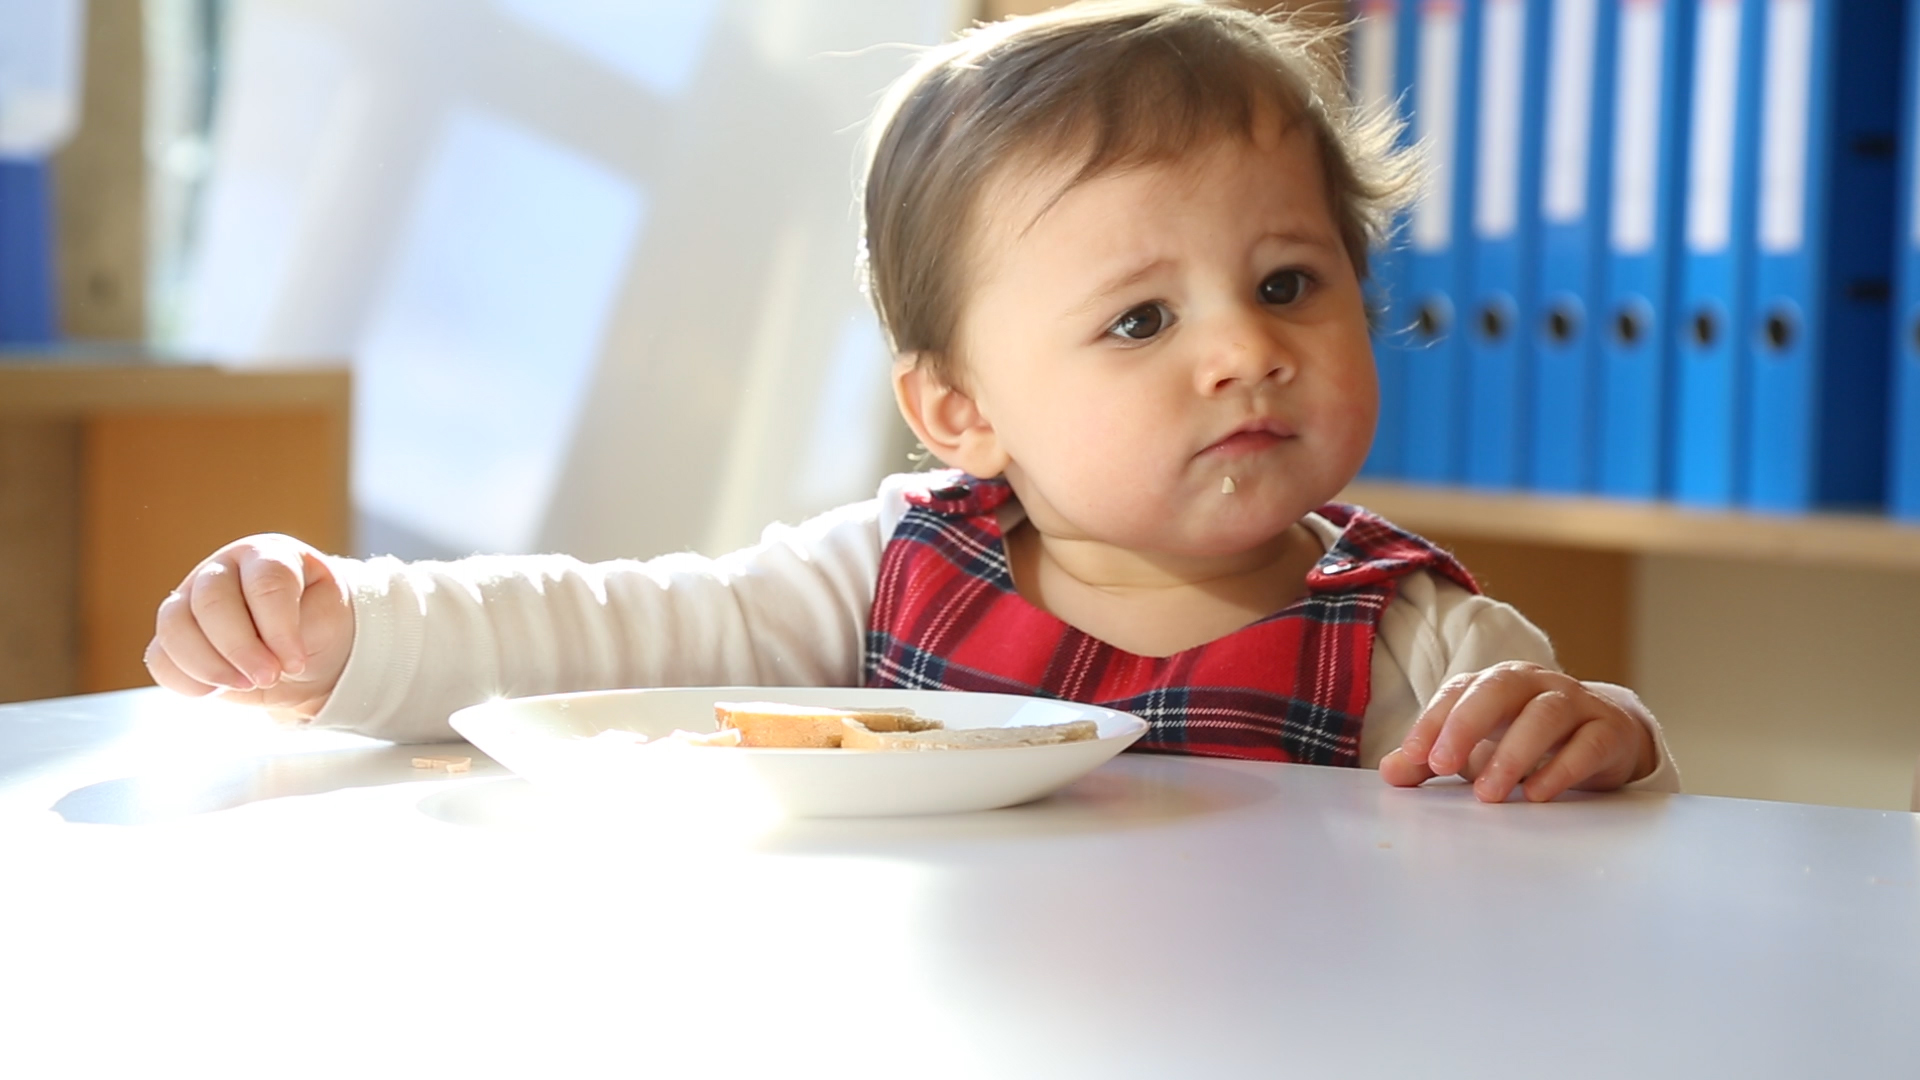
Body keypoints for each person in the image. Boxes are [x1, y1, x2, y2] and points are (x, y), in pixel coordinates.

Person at [145, 0, 1679, 802]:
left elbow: (1593, 866)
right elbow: (611, 628)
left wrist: (1599, 744)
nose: (1241, 351)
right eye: (1141, 318)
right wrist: (345, 627)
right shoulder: (893, 574)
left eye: (1289, 284)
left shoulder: (1425, 639)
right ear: (958, 413)